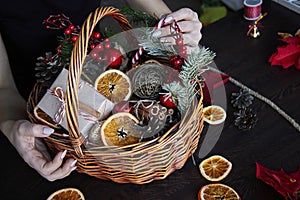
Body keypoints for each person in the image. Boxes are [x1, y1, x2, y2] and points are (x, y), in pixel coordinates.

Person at [0, 0, 202, 181]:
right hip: (38, 107)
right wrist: (11, 125)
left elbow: (154, 13)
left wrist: (177, 28)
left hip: (104, 62)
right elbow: (3, 88)